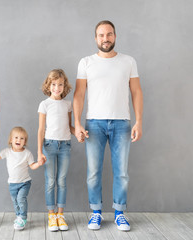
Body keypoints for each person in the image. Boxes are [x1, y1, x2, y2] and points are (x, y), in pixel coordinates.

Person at [73, 20, 143, 231]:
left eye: (109, 34)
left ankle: (119, 213)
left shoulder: (128, 61)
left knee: (121, 172)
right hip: (93, 124)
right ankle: (96, 213)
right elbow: (79, 94)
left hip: (122, 123)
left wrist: (138, 121)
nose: (106, 38)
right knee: (93, 172)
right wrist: (76, 123)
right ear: (96, 38)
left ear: (115, 36)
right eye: (101, 35)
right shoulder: (86, 62)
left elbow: (137, 92)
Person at [37, 69, 74, 231]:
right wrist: (39, 152)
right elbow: (40, 130)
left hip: (65, 145)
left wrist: (79, 133)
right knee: (50, 181)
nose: (57, 88)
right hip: (49, 146)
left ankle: (60, 215)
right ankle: (51, 215)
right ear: (49, 85)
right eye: (54, 84)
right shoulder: (44, 104)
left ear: (64, 86)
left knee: (62, 181)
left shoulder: (67, 104)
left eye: (60, 84)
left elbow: (69, 126)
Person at [0, 127, 43, 230]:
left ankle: (23, 218)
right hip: (12, 183)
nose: (19, 140)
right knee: (15, 201)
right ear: (11, 140)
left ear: (25, 142)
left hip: (24, 182)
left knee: (20, 199)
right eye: (16, 137)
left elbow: (32, 166)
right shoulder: (7, 152)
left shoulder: (27, 153)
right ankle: (18, 216)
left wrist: (39, 163)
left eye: (22, 138)